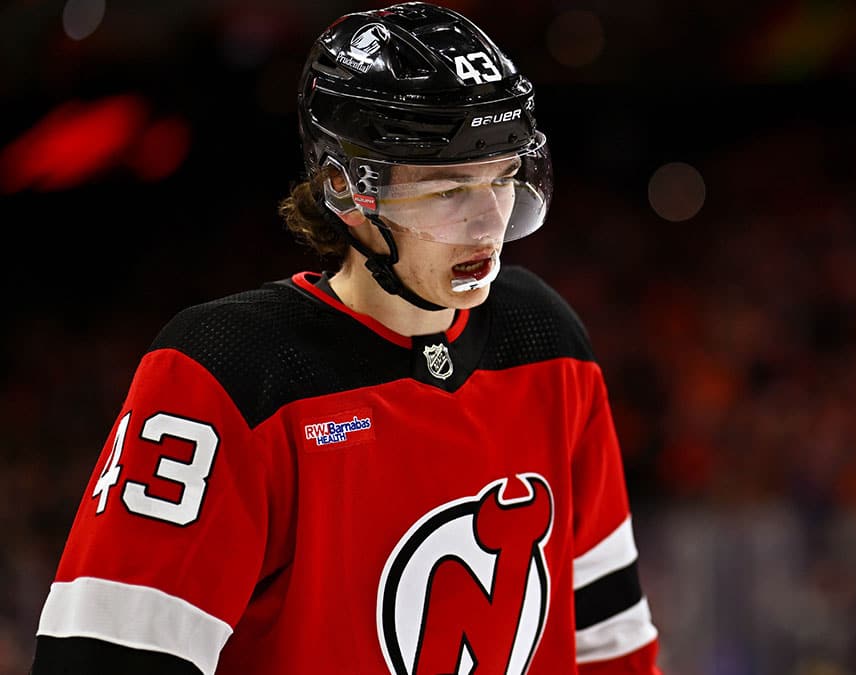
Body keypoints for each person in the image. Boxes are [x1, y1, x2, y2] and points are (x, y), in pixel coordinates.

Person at [29, 3, 664, 674]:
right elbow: (107, 658)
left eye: (502, 177)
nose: (488, 222)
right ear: (344, 187)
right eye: (448, 188)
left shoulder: (545, 341)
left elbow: (608, 638)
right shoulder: (226, 370)